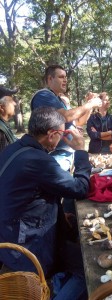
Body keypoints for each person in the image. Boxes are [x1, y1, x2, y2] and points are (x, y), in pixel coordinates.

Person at [0, 107, 91, 299]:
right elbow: (80, 188)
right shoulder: (37, 160)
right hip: (26, 248)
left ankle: (57, 287)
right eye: (62, 133)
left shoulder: (14, 149)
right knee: (88, 269)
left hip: (10, 235)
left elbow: (30, 195)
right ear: (52, 135)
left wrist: (58, 214)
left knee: (73, 237)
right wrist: (81, 151)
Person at [31, 64, 102, 171]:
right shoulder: (43, 95)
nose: (65, 80)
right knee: (59, 185)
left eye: (65, 77)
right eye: (61, 77)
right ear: (50, 78)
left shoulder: (59, 100)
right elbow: (64, 117)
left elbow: (78, 122)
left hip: (67, 152)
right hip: (55, 153)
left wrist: (90, 105)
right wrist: (91, 104)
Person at [0, 86, 18, 152]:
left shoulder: (4, 126)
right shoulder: (1, 130)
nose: (15, 103)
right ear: (1, 107)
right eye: (11, 100)